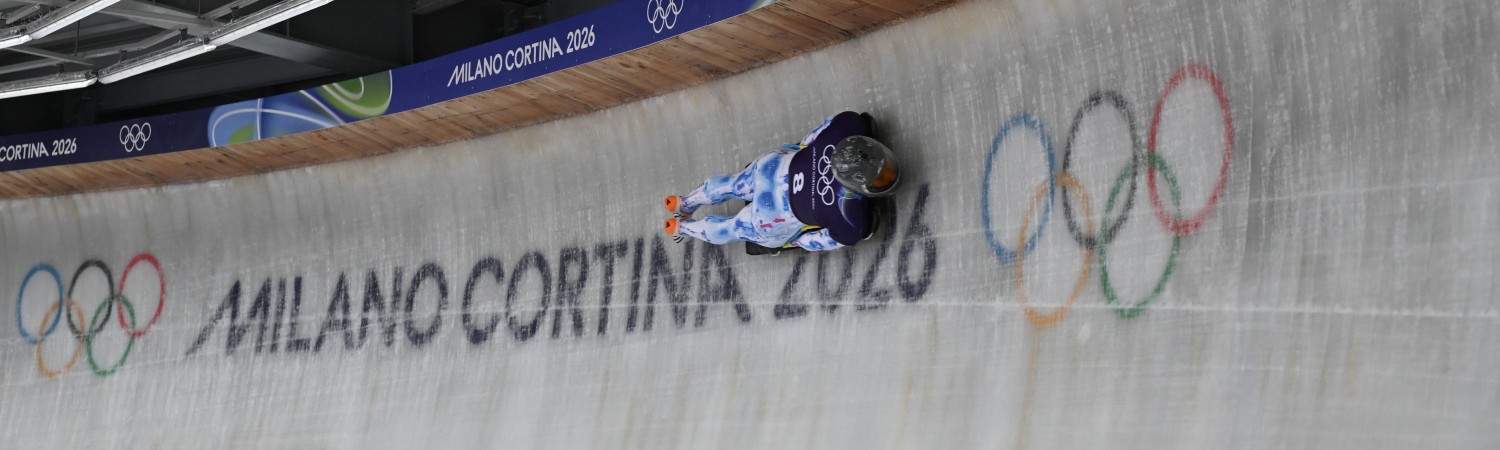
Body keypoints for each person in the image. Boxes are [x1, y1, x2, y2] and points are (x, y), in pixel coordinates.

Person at [663, 111, 901, 252]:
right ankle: (682, 228)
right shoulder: (849, 219)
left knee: (733, 183)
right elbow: (813, 242)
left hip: (772, 167)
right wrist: (793, 242)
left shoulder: (847, 123)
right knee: (733, 228)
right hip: (769, 216)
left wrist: (799, 150)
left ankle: (684, 202)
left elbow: (811, 137)